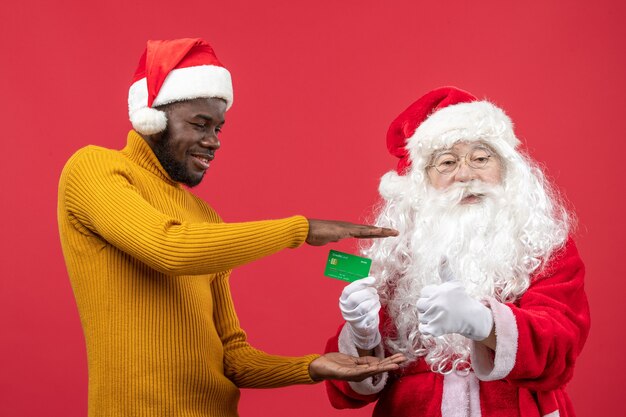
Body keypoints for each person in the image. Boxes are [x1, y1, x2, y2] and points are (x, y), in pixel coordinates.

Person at [57, 38, 404, 416]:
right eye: (200, 124)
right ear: (152, 120)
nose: (213, 141)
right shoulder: (94, 169)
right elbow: (170, 248)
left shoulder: (205, 218)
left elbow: (232, 357)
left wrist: (311, 367)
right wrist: (299, 230)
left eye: (218, 128)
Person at [325, 86, 590, 417]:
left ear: (507, 167)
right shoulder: (395, 257)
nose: (465, 175)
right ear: (422, 181)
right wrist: (362, 337)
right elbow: (346, 392)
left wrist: (486, 323)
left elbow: (561, 349)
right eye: (447, 162)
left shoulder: (542, 244)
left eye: (480, 158)